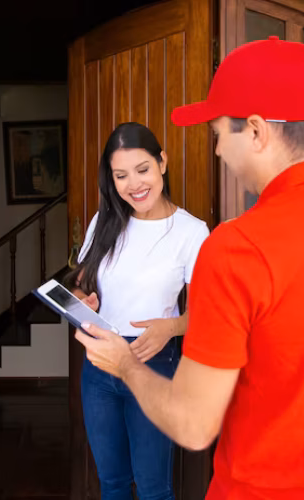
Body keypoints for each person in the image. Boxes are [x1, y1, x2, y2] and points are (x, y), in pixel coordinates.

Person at [76, 36, 304, 500]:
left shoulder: (237, 247)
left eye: (218, 135)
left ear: (255, 131)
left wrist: (126, 366)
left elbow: (193, 426)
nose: (217, 153)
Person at [67, 122, 210, 500]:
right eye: (121, 175)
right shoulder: (105, 222)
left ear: (162, 163)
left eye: (143, 169)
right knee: (111, 483)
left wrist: (172, 327)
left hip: (154, 361)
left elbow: (205, 314)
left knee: (153, 488)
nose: (134, 184)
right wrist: (84, 299)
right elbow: (84, 285)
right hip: (99, 364)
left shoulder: (192, 232)